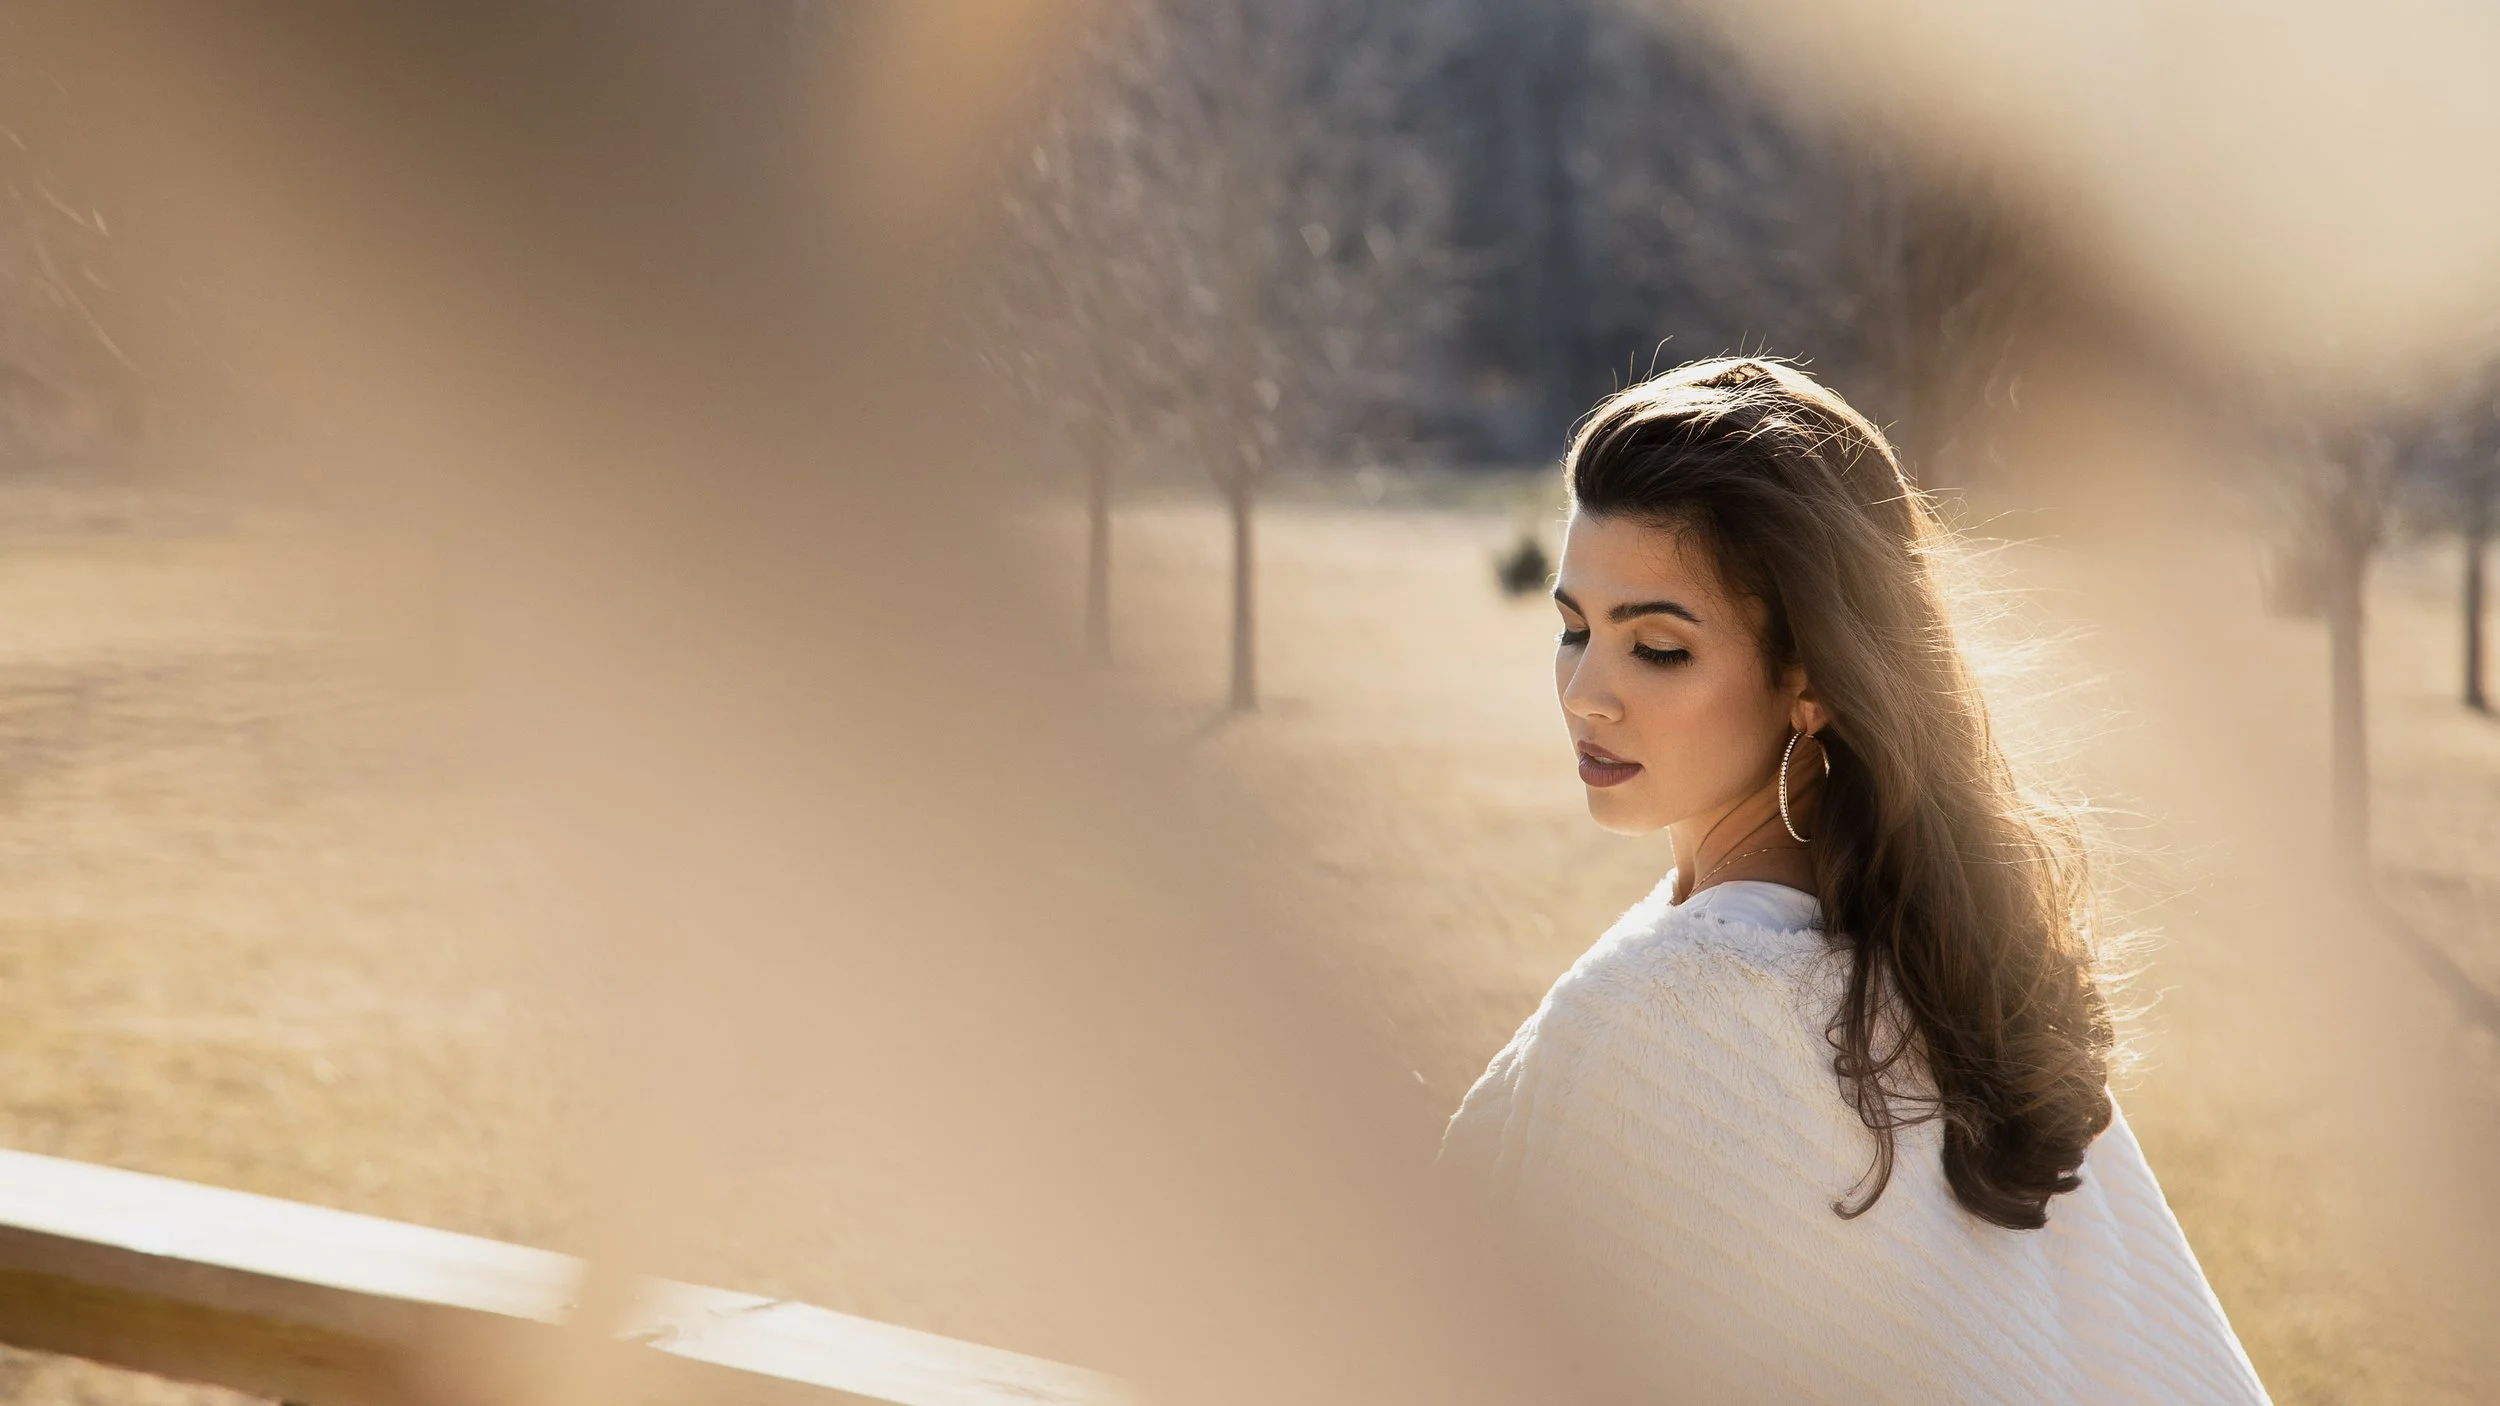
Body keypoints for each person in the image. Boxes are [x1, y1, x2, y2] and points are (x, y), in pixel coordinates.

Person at [1439, 359, 2269, 1403]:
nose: (1584, 692)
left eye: (1655, 646)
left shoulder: (1671, 1009)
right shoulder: (1947, 965)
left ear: (1810, 679)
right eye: (1572, 627)